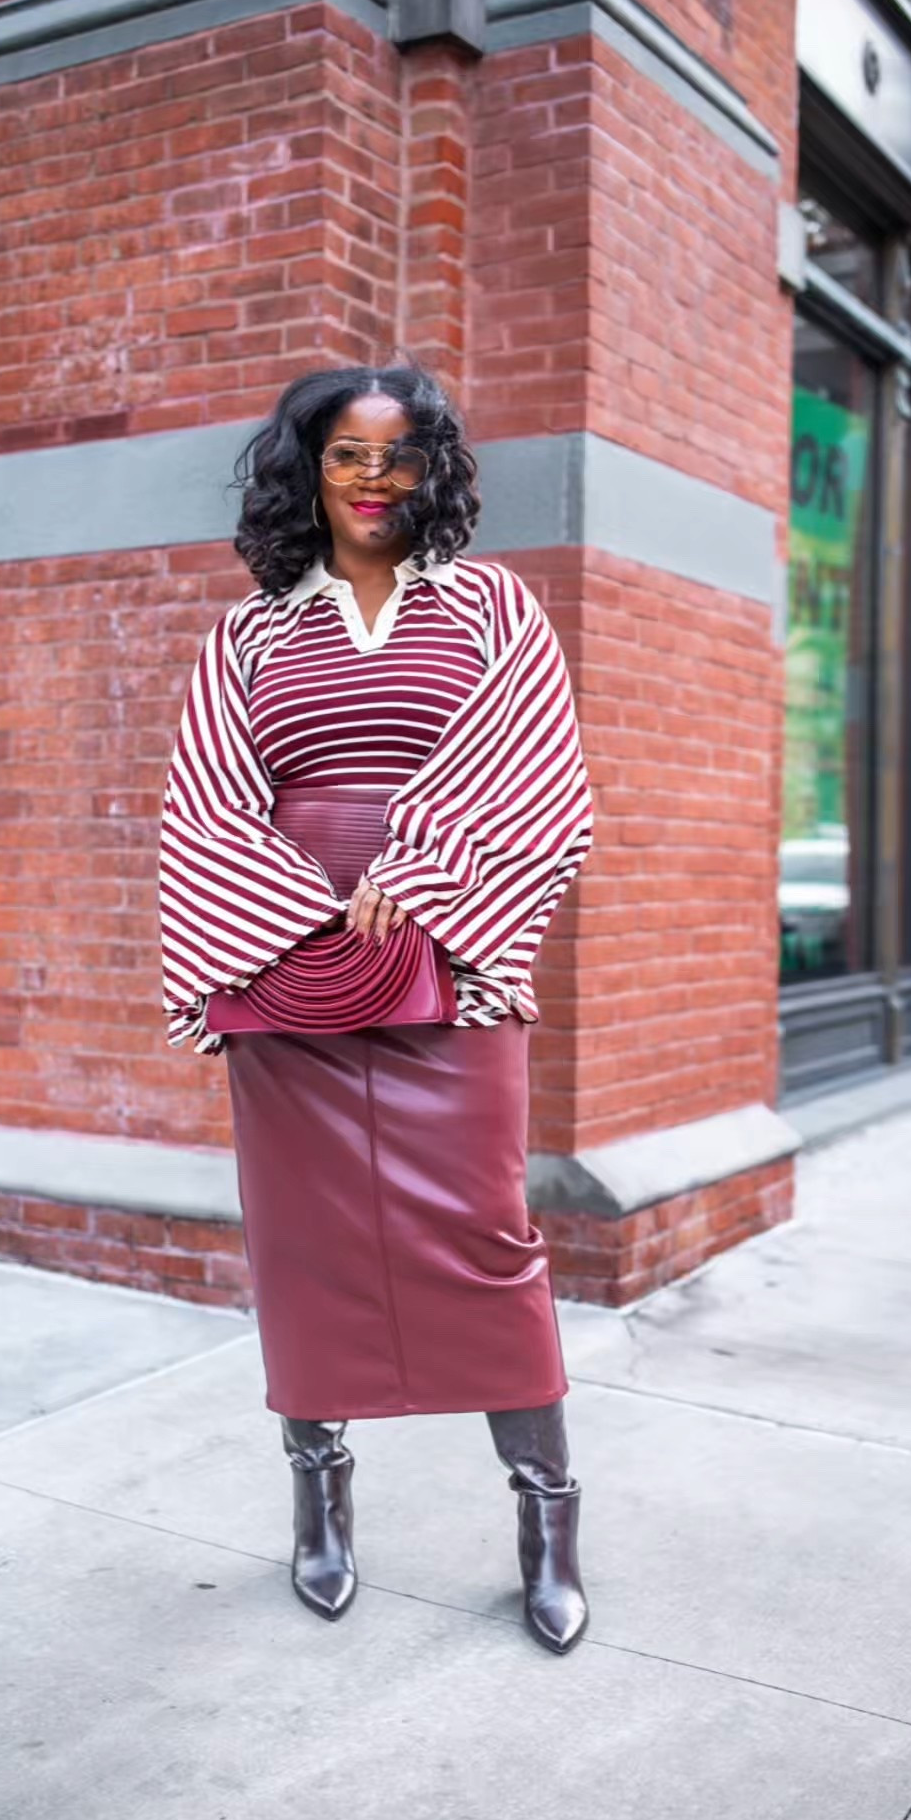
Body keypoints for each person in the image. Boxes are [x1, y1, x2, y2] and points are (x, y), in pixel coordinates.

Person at [158, 362, 594, 1654]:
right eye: (346, 456)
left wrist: (423, 871)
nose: (371, 482)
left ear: (434, 472)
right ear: (308, 470)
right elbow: (202, 807)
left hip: (451, 962)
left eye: (398, 458)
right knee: (303, 1244)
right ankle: (321, 1506)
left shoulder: (494, 608)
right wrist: (291, 905)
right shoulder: (249, 634)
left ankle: (548, 1513)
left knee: (485, 1235)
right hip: (281, 963)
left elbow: (545, 778)